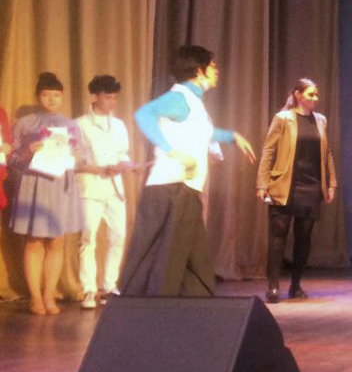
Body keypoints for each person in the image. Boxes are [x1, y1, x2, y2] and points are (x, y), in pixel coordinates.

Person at [120, 46, 255, 297]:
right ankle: (156, 310)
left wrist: (232, 137)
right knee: (166, 263)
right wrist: (173, 152)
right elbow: (144, 115)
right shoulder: (179, 97)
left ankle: (199, 305)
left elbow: (203, 133)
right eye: (212, 66)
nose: (217, 71)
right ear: (198, 71)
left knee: (195, 260)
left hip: (186, 190)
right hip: (170, 189)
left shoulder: (193, 102)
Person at [7, 72, 86, 315]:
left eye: (56, 95)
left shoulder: (71, 125)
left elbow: (81, 159)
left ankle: (49, 294)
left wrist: (74, 156)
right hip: (35, 185)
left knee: (57, 241)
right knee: (35, 241)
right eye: (46, 95)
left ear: (62, 97)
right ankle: (36, 298)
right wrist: (28, 151)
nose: (51, 99)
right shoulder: (26, 123)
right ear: (38, 96)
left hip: (61, 185)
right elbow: (12, 159)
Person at [257, 79, 337, 302]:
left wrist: (331, 183)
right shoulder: (283, 118)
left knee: (304, 237)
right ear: (298, 94)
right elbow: (269, 150)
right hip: (285, 183)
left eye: (316, 94)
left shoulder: (320, 120)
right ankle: (273, 286)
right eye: (311, 94)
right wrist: (262, 183)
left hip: (311, 185)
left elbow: (327, 153)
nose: (315, 98)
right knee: (278, 234)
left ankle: (296, 285)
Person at [76, 75, 134, 309]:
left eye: (114, 98)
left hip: (114, 189)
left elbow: (124, 154)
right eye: (108, 97)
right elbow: (75, 161)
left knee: (118, 236)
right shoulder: (79, 124)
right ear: (97, 96)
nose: (112, 102)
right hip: (90, 188)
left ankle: (109, 286)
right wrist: (99, 168)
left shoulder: (119, 125)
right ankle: (89, 289)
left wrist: (125, 165)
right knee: (88, 238)